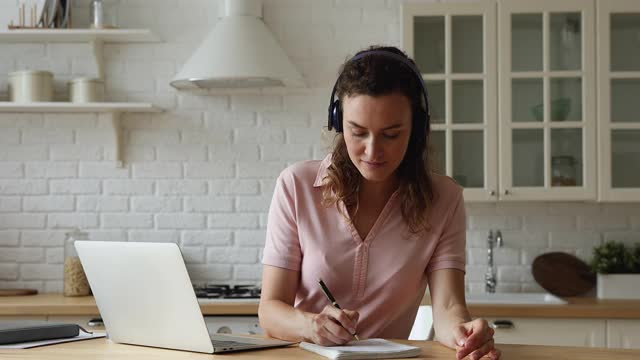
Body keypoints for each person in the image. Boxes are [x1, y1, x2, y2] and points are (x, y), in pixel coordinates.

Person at [258, 45, 500, 360]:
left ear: (416, 129)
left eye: (391, 134)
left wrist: (463, 335)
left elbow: (448, 306)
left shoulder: (445, 199)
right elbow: (269, 311)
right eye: (357, 133)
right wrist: (311, 325)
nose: (373, 152)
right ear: (338, 121)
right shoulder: (296, 186)